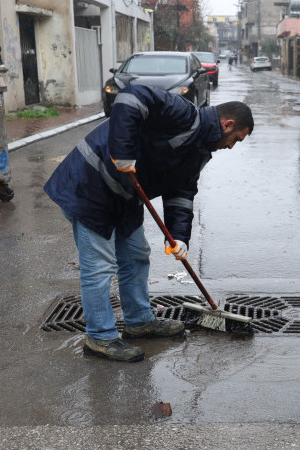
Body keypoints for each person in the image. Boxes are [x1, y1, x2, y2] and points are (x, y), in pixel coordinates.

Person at [44, 84, 254, 362]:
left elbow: (182, 192)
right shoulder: (183, 114)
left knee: (136, 256)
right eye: (235, 139)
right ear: (227, 124)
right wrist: (123, 150)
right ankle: (100, 338)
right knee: (99, 266)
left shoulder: (199, 152)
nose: (231, 146)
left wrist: (179, 237)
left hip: (124, 195)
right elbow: (132, 96)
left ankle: (139, 321)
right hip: (90, 184)